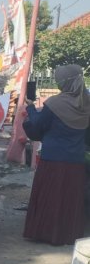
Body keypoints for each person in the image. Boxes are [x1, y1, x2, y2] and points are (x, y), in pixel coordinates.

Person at [22, 64, 90, 245]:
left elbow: (37, 126)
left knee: (50, 197)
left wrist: (29, 109)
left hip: (52, 158)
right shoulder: (87, 102)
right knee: (69, 199)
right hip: (76, 159)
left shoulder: (54, 104)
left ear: (63, 82)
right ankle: (67, 235)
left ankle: (45, 234)